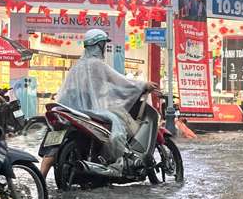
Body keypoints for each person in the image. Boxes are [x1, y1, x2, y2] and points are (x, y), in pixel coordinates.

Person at [39, 29, 159, 179]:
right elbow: (119, 81)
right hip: (86, 107)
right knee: (116, 124)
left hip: (67, 105)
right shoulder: (96, 65)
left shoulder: (78, 65)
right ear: (99, 46)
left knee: (56, 140)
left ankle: (41, 177)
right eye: (103, 45)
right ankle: (112, 161)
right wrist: (142, 85)